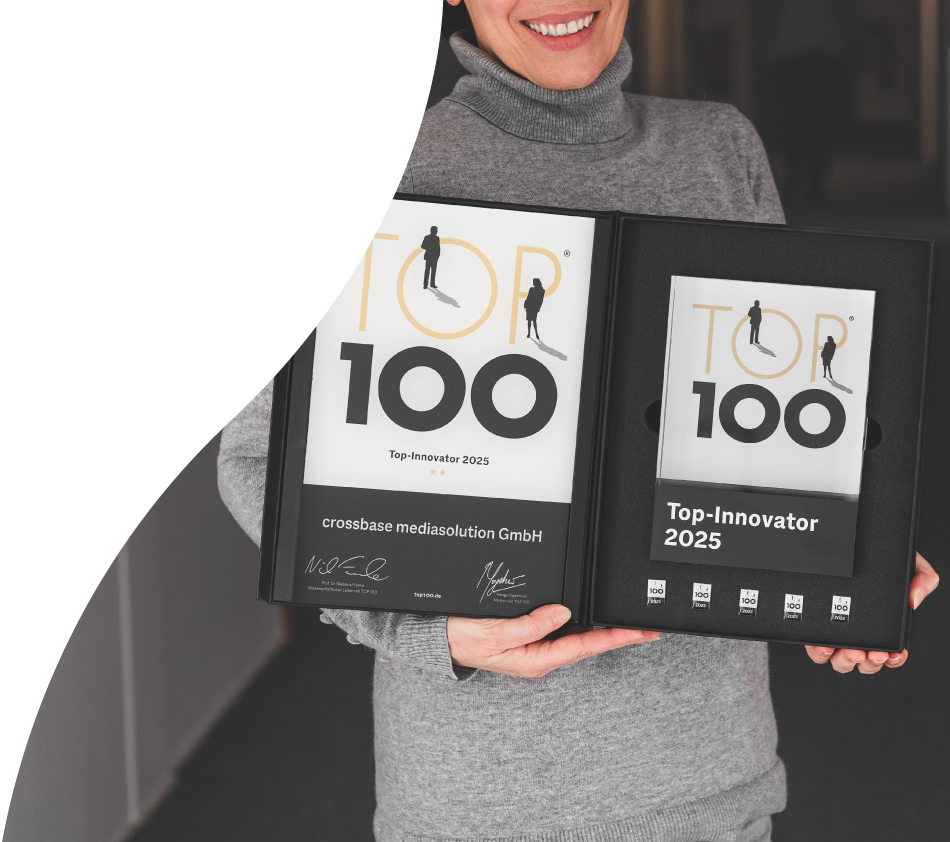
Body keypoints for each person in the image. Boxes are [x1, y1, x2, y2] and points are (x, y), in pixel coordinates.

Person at [217, 3, 938, 841]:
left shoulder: (720, 150)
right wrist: (420, 628)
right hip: (476, 802)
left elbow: (762, 444)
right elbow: (254, 455)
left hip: (709, 783)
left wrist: (836, 573)